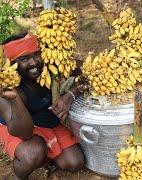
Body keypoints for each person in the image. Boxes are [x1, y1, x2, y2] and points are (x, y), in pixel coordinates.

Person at [0, 33, 84, 180]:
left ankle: (45, 157)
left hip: (46, 121)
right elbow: (24, 134)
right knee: (33, 153)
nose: (33, 62)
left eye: (36, 55)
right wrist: (15, 99)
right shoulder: (7, 87)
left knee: (74, 162)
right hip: (18, 126)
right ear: (11, 64)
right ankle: (19, 176)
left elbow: (87, 72)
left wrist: (69, 96)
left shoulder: (51, 68)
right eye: (23, 59)